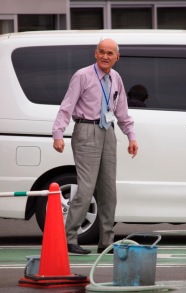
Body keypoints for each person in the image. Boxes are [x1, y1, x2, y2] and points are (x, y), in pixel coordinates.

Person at [52, 38, 138, 255]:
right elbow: (67, 106)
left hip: (108, 132)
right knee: (86, 188)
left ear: (117, 57)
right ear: (95, 53)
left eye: (110, 53)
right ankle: (69, 238)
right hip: (86, 130)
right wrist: (58, 133)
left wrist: (131, 136)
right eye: (102, 52)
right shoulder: (82, 76)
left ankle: (106, 241)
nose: (105, 56)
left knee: (109, 190)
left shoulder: (116, 78)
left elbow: (122, 111)